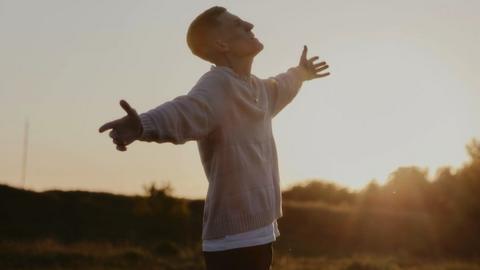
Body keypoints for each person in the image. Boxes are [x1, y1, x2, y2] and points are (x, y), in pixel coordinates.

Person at [99, 6, 330, 270]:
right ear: (221, 44)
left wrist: (300, 73)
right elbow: (185, 110)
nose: (250, 24)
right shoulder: (217, 85)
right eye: (237, 24)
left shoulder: (258, 89)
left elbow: (282, 85)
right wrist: (142, 125)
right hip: (234, 242)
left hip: (261, 231)